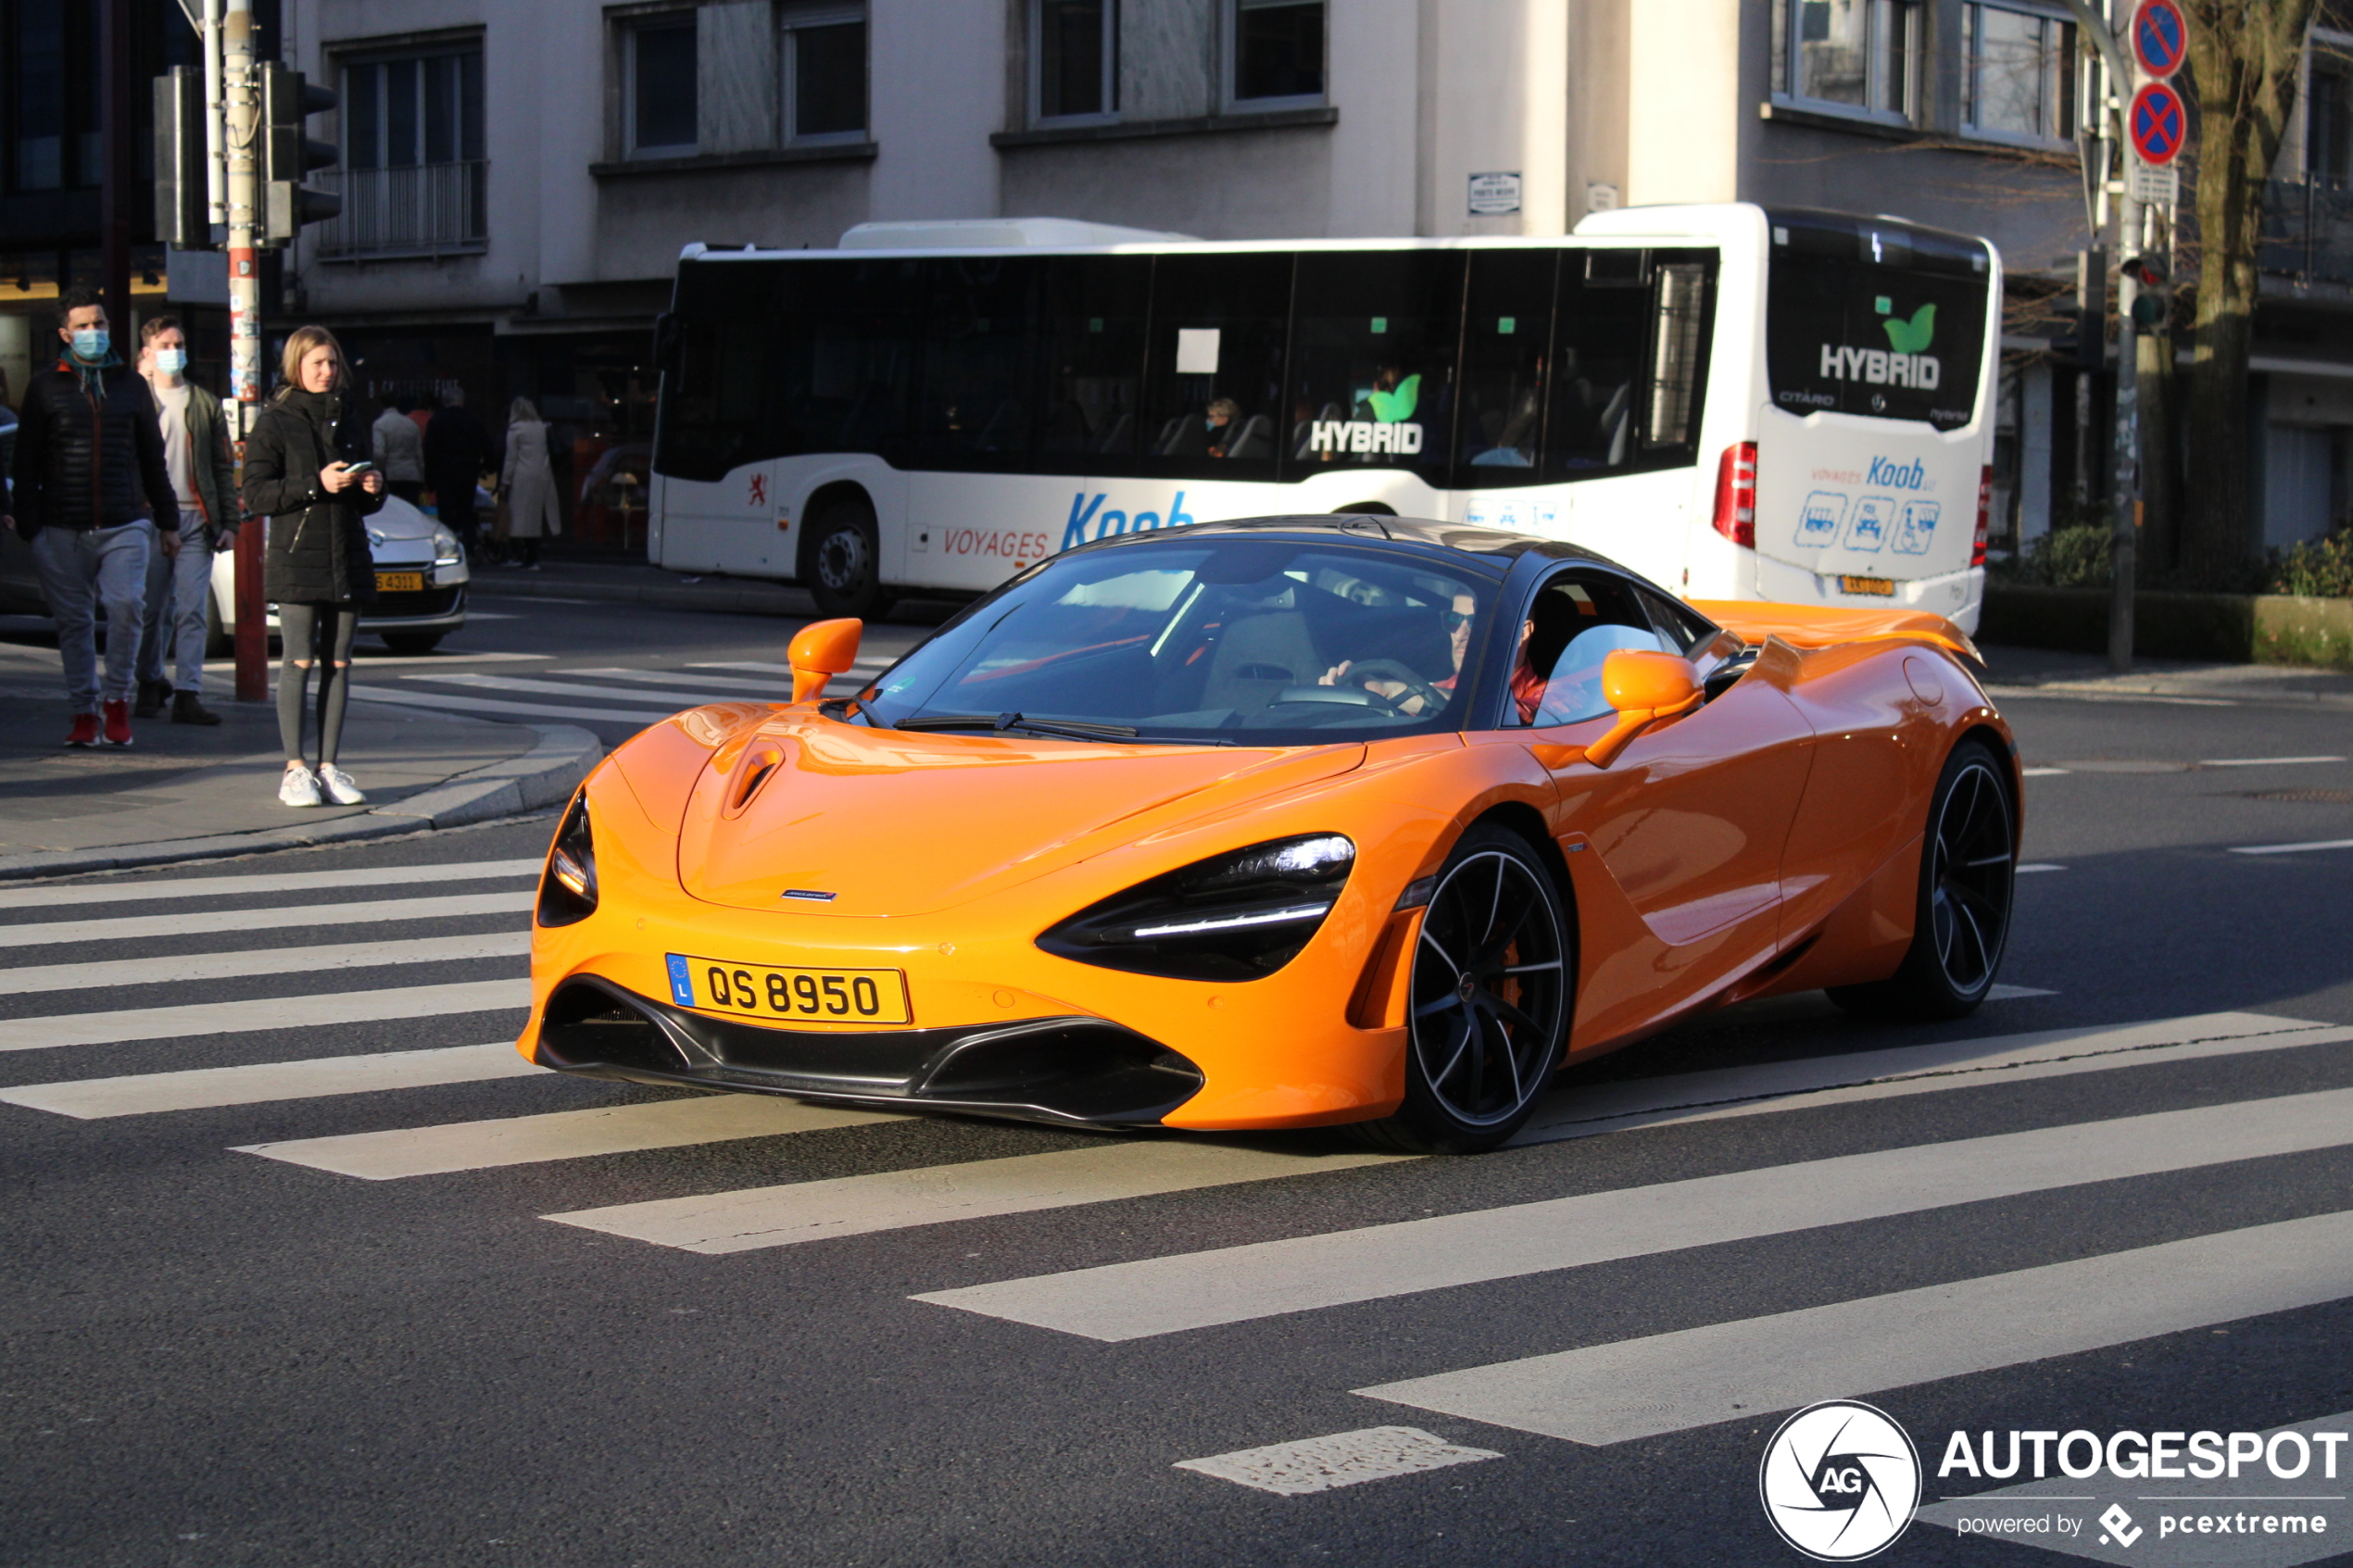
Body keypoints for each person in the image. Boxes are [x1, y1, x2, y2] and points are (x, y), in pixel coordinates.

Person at [4, 287, 178, 747]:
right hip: (61, 527)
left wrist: (167, 522)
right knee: (74, 623)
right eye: (83, 326)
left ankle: (117, 700)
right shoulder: (46, 386)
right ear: (65, 333)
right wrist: (30, 526)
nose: (93, 333)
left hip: (124, 522)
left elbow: (151, 457)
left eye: (99, 324)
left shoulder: (130, 385)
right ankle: (84, 711)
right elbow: (27, 461)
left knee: (126, 606)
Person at [241, 325, 385, 808]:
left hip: (346, 552)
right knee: (298, 661)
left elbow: (362, 497)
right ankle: (295, 768)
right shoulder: (276, 420)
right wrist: (314, 484)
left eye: (331, 363)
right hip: (298, 556)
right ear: (296, 367)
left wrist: (371, 488)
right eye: (316, 363)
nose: (326, 372)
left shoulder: (348, 416)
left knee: (340, 663)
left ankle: (329, 767)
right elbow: (256, 494)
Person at [131, 315, 234, 726]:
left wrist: (229, 521)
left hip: (196, 517)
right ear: (148, 353)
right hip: (151, 518)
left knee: (192, 610)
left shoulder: (204, 403)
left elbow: (220, 466)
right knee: (150, 609)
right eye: (166, 345)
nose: (174, 352)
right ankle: (150, 680)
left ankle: (188, 693)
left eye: (179, 344)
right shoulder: (137, 400)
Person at [1320, 593, 1549, 721]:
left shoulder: (1562, 697)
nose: (1460, 633)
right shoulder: (1442, 687)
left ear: (1521, 633)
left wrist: (1391, 690)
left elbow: (1519, 717)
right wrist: (1350, 695)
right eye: (1454, 619)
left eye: (1476, 622)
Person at [423, 384, 491, 556]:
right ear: (461, 401)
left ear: (445, 402)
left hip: (444, 472)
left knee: (445, 514)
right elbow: (487, 447)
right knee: (466, 512)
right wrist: (486, 468)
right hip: (468, 472)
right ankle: (472, 545)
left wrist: (430, 480)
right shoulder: (473, 421)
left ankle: (449, 549)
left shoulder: (437, 421)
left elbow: (429, 452)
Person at [498, 396, 563, 570]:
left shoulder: (515, 429)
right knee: (534, 519)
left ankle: (520, 556)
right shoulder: (541, 427)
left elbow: (511, 459)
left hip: (522, 476)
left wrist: (505, 482)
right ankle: (533, 557)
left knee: (517, 519)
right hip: (542, 476)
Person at [371, 393, 425, 504]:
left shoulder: (380, 424)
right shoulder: (411, 424)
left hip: (391, 475)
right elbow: (418, 455)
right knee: (411, 512)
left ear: (381, 404)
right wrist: (422, 476)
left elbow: (379, 454)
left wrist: (380, 470)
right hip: (411, 474)